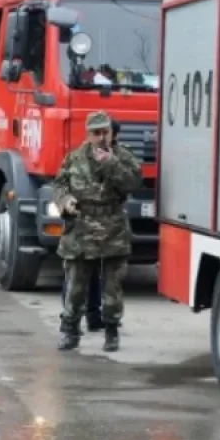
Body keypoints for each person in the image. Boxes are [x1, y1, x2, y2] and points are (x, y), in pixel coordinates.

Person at [52, 111, 142, 352]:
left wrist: (111, 163)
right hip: (82, 227)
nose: (102, 137)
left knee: (113, 286)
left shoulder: (122, 156)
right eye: (96, 133)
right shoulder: (75, 158)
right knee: (76, 283)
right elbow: (59, 184)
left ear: (112, 133)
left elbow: (133, 182)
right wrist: (65, 201)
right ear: (88, 134)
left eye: (106, 132)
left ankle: (111, 331)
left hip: (113, 226)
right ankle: (70, 330)